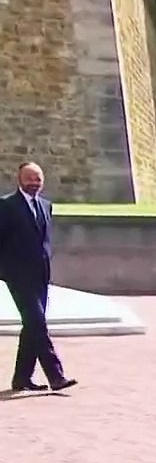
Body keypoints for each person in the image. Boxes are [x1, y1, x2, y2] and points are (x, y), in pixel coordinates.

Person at [0, 162, 77, 392]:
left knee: (31, 326)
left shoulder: (46, 205)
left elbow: (44, 240)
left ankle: (21, 379)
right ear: (20, 180)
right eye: (30, 179)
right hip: (17, 275)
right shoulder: (6, 206)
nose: (34, 183)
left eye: (38, 179)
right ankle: (56, 376)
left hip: (41, 274)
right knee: (37, 322)